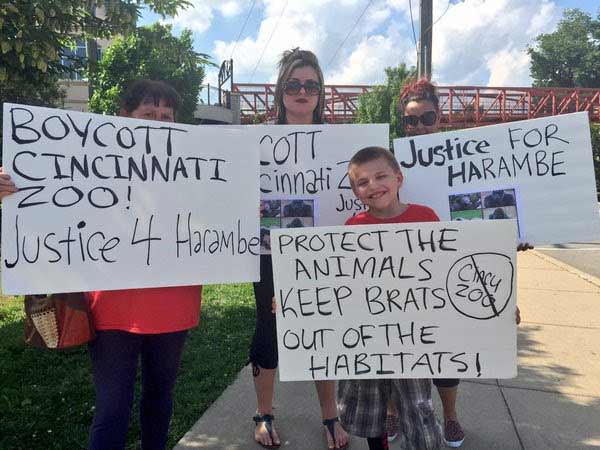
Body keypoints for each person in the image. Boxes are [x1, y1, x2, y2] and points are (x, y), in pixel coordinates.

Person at [0, 79, 202, 450]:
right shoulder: (92, 162)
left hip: (174, 304)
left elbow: (215, 215)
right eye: (148, 114)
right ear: (123, 118)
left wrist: (241, 208)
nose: (158, 123)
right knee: (112, 408)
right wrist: (12, 189)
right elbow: (50, 203)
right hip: (112, 307)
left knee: (160, 400)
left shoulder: (193, 169)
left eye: (166, 116)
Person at [394, 78, 531, 448]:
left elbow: (487, 229)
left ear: (440, 117)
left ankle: (450, 417)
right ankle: (393, 411)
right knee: (396, 344)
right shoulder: (391, 165)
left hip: (452, 269)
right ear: (403, 123)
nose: (419, 126)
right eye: (411, 120)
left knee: (446, 351)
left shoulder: (469, 160)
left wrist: (517, 238)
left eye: (427, 117)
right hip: (403, 272)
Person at [250, 48, 349, 450]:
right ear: (280, 93)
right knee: (268, 327)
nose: (302, 91)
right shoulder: (255, 142)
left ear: (321, 92)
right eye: (294, 85)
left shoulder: (340, 143)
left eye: (311, 85)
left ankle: (330, 416)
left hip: (321, 254)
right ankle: (264, 413)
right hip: (268, 253)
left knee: (320, 328)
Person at [338, 146, 445, 450]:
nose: (372, 186)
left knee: (418, 406)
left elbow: (449, 272)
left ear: (399, 178)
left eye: (381, 176)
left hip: (413, 338)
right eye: (362, 182)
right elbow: (338, 281)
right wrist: (295, 301)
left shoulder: (426, 218)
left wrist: (497, 305)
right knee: (370, 410)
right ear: (356, 192)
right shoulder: (352, 227)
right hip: (367, 338)